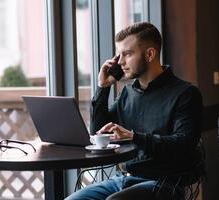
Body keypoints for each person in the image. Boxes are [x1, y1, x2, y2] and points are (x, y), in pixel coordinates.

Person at [66, 22, 203, 200]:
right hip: (123, 179)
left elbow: (183, 145)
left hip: (164, 183)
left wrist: (133, 137)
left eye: (127, 54)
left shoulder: (185, 94)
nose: (120, 61)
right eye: (119, 55)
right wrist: (103, 88)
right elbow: (98, 132)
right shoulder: (127, 93)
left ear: (150, 54)